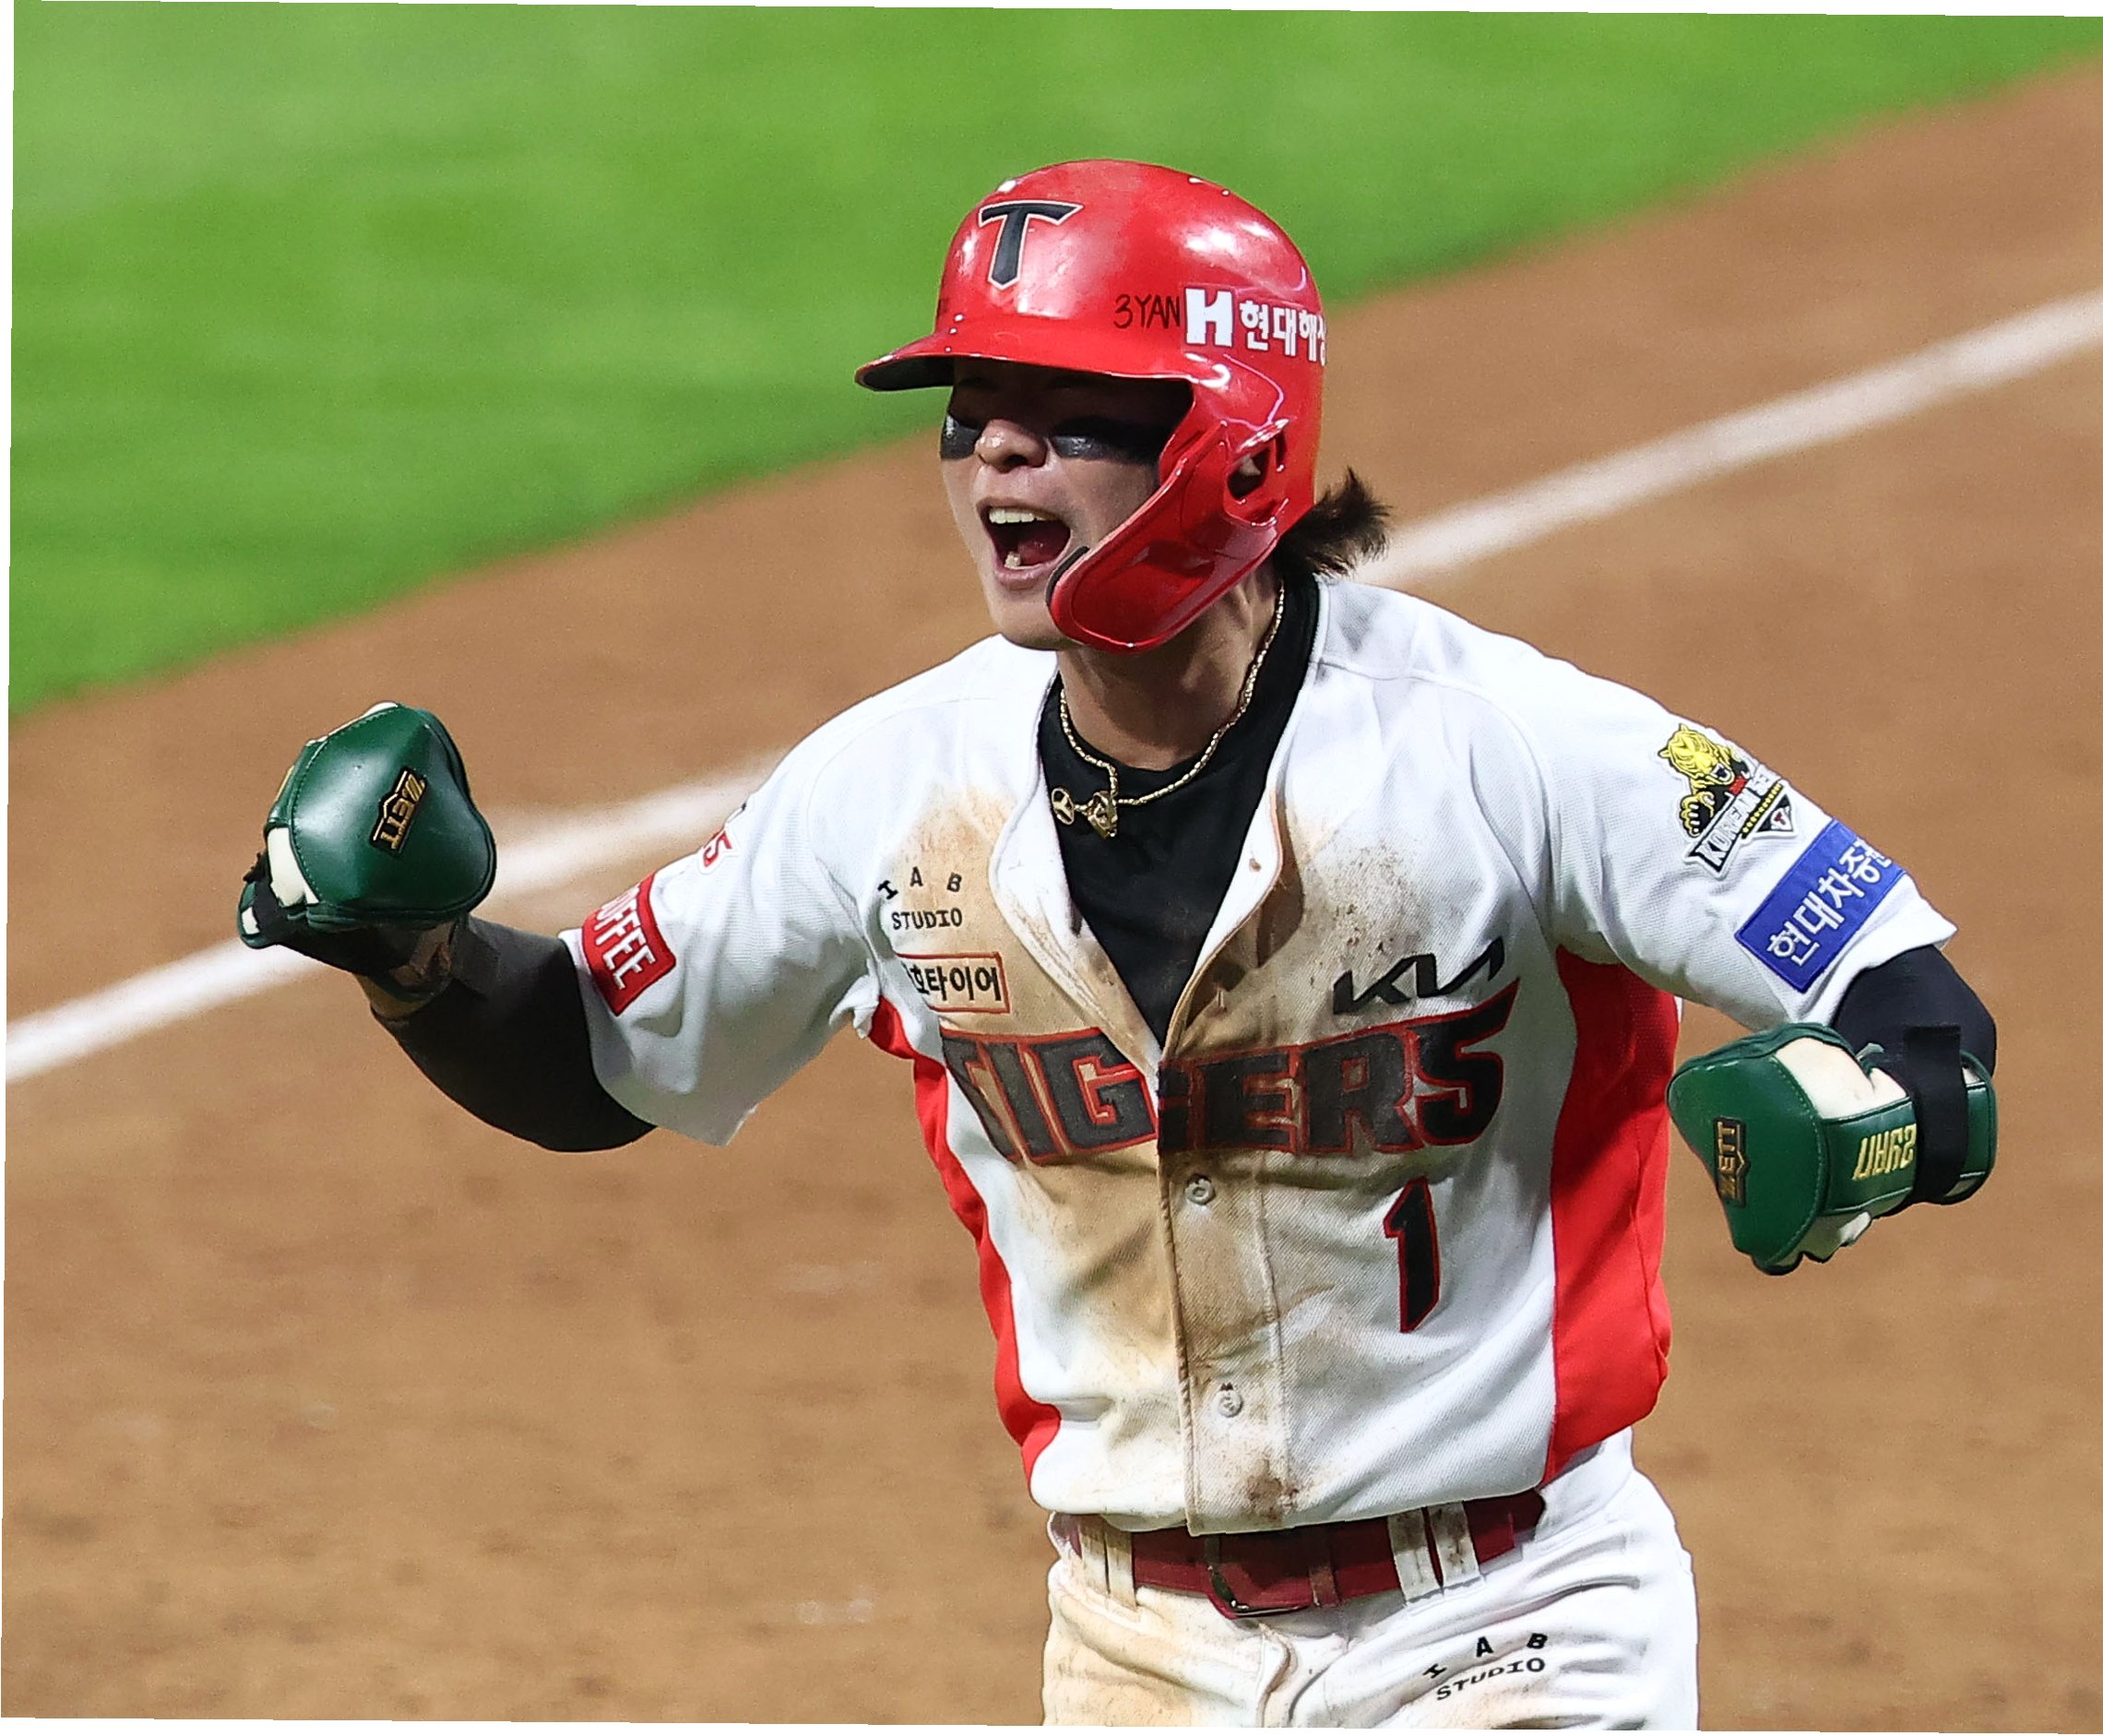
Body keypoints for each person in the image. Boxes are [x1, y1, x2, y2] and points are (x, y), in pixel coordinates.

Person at [238, 159, 1997, 1727]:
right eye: (967, 414)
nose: (993, 452)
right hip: (1134, 1649)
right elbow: (596, 1059)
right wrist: (410, 956)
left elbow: (1924, 1024)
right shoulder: (887, 788)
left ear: (1232, 431)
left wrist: (1866, 1115)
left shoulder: (1514, 749)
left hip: (1514, 1621)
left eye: (1060, 408)